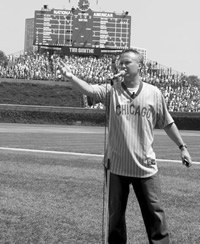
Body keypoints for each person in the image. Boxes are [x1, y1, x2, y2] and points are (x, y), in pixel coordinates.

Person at [58, 49, 192, 244]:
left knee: (155, 215)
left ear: (140, 66)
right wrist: (71, 77)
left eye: (127, 62)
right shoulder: (111, 90)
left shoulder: (154, 93)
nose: (122, 66)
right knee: (116, 218)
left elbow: (167, 122)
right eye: (120, 63)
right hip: (116, 166)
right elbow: (88, 89)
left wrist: (182, 147)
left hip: (145, 166)